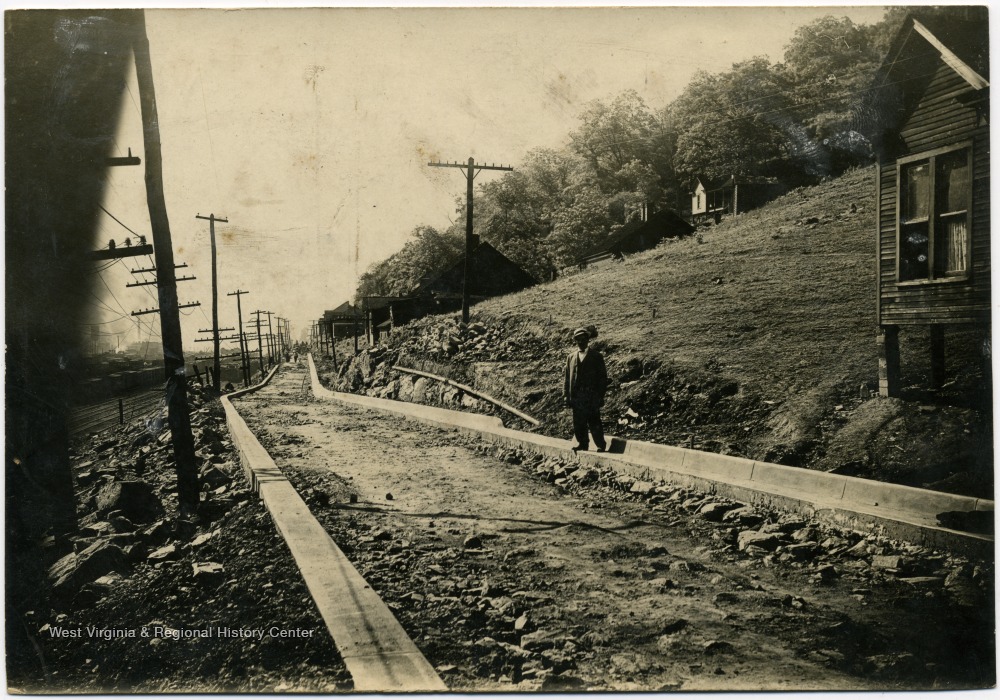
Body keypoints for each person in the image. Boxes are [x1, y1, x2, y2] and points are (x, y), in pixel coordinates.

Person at [564, 325, 608, 452]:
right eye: (578, 339)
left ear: (588, 340)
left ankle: (600, 445)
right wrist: (566, 395)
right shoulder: (571, 357)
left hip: (591, 396)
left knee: (594, 421)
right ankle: (582, 444)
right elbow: (567, 378)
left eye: (583, 339)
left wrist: (600, 396)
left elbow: (602, 379)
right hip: (577, 397)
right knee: (579, 422)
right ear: (575, 341)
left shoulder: (596, 356)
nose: (581, 342)